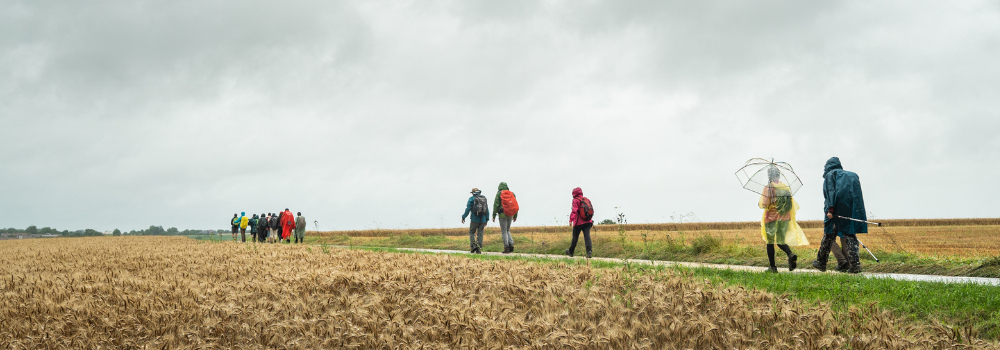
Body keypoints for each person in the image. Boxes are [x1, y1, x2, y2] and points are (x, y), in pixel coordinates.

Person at [812, 157, 867, 274]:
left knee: (829, 235)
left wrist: (830, 209)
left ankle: (821, 262)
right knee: (850, 235)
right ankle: (855, 265)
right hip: (850, 210)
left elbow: (830, 192)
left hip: (835, 211)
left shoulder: (830, 175)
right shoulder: (853, 175)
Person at [757, 166, 808, 273]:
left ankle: (772, 267)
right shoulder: (785, 187)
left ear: (769, 175)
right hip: (784, 218)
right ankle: (790, 254)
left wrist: (760, 203)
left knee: (770, 242)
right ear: (778, 175)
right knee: (780, 240)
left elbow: (765, 204)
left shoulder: (769, 187)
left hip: (771, 218)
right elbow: (790, 205)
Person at [565, 187, 594, 258]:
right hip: (588, 221)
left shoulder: (575, 200)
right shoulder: (586, 199)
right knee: (587, 236)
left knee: (575, 237)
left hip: (578, 223)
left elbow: (574, 211)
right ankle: (589, 252)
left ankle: (571, 252)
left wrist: (571, 220)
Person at [492, 182, 519, 254]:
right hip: (510, 214)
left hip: (502, 215)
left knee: (504, 231)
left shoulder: (499, 194)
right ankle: (511, 244)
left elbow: (496, 205)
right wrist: (515, 215)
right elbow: (515, 205)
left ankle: (506, 247)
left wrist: (494, 215)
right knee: (507, 230)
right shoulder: (512, 194)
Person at [461, 188, 489, 254]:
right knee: (480, 233)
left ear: (473, 193)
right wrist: (486, 219)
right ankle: (479, 249)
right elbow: (487, 210)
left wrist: (463, 217)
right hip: (483, 219)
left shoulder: (471, 199)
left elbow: (468, 209)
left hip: (474, 219)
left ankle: (473, 246)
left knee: (472, 232)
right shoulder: (483, 199)